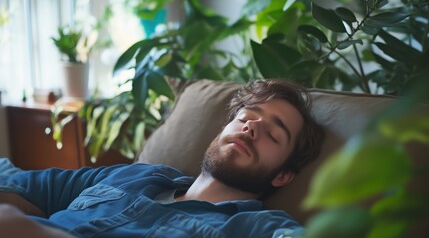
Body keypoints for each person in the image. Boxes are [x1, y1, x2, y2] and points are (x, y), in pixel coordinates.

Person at [0, 79, 324, 238]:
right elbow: (19, 184)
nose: (252, 126)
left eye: (273, 133)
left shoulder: (251, 226)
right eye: (246, 116)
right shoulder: (135, 176)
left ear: (283, 176)